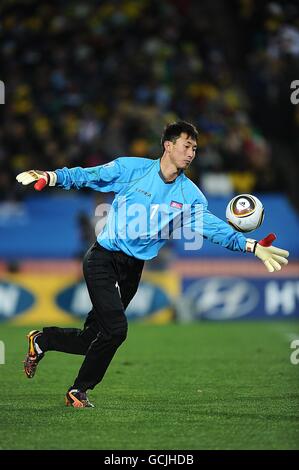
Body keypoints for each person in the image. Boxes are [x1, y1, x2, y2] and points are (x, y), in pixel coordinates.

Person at [16, 121, 289, 408]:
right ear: (168, 146)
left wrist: (252, 245)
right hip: (103, 258)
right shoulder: (132, 170)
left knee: (92, 339)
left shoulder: (190, 196)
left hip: (133, 269)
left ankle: (42, 341)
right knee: (116, 330)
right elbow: (90, 176)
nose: (192, 153)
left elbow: (214, 229)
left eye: (195, 148)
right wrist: (51, 176)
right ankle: (78, 391)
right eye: (187, 146)